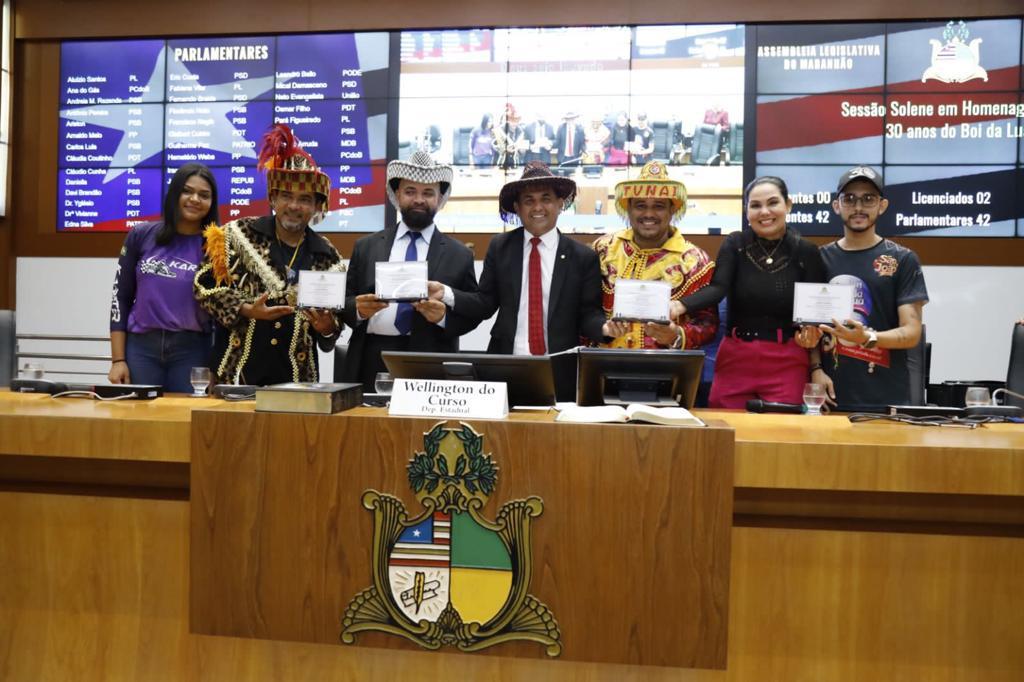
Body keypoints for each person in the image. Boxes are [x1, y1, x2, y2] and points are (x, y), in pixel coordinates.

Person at [194, 124, 344, 385]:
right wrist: (245, 309)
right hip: (235, 374)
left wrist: (328, 328)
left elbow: (333, 329)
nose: (294, 206)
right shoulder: (235, 234)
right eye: (286, 196)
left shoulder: (329, 257)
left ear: (317, 206)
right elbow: (203, 286)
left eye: (305, 199)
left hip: (299, 380)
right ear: (273, 198)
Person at [449, 161, 611, 401]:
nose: (538, 207)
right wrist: (446, 294)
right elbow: (484, 303)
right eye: (529, 200)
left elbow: (588, 314)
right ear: (517, 207)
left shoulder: (582, 257)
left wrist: (605, 329)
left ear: (560, 204)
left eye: (546, 198)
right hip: (504, 366)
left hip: (559, 370)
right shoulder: (500, 247)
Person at [678, 176, 829, 408]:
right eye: (755, 205)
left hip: (787, 360)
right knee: (724, 432)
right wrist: (679, 305)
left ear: (787, 205)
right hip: (735, 358)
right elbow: (718, 288)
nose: (764, 212)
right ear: (746, 210)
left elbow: (814, 315)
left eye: (773, 203)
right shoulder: (735, 244)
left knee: (782, 437)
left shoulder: (806, 252)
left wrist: (812, 336)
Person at [341, 151, 479, 392]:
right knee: (366, 428)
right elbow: (343, 302)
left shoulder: (460, 254)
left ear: (440, 198)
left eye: (428, 193)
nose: (419, 199)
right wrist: (359, 310)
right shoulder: (366, 246)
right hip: (371, 356)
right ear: (397, 195)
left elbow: (475, 309)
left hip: (431, 359)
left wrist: (444, 317)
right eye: (410, 191)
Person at [817, 166, 929, 408]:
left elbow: (911, 332)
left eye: (868, 199)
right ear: (836, 206)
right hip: (830, 397)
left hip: (885, 399)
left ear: (882, 205)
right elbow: (809, 326)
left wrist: (866, 337)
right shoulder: (819, 259)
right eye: (849, 199)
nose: (858, 207)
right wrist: (815, 370)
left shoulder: (902, 259)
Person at [108, 163, 220, 392]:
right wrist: (118, 360)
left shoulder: (217, 247)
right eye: (187, 191)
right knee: (139, 419)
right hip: (141, 348)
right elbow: (120, 298)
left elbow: (224, 313)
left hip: (193, 350)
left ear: (212, 203)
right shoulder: (140, 235)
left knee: (186, 421)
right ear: (174, 194)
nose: (195, 199)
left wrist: (216, 367)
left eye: (204, 195)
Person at [594, 160, 718, 351]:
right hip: (602, 365)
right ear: (629, 209)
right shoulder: (603, 250)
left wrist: (676, 335)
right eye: (640, 205)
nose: (649, 214)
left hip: (667, 370)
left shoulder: (695, 261)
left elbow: (708, 324)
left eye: (658, 206)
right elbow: (582, 308)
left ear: (672, 210)